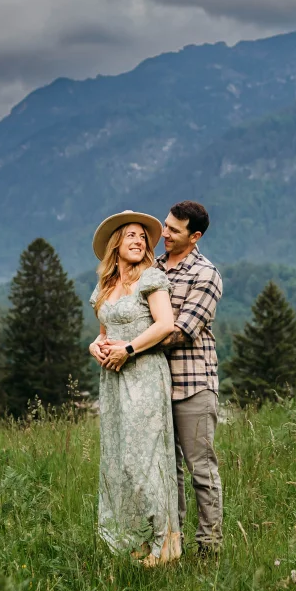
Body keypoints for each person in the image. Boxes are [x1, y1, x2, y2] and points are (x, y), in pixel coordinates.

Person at [104, 201, 223, 556]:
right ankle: (171, 544)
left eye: (174, 230)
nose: (164, 234)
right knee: (164, 471)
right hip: (150, 388)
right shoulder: (152, 268)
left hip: (191, 384)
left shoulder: (206, 274)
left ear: (195, 235)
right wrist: (110, 342)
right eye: (167, 226)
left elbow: (180, 331)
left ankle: (209, 546)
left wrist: (130, 346)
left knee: (200, 468)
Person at [87, 210, 183, 566]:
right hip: (113, 381)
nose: (138, 241)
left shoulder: (151, 278)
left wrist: (128, 350)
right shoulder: (105, 287)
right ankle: (139, 539)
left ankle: (167, 543)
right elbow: (102, 333)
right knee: (119, 461)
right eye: (130, 235)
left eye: (143, 236)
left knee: (143, 459)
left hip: (143, 374)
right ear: (116, 242)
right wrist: (95, 347)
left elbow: (165, 325)